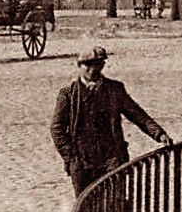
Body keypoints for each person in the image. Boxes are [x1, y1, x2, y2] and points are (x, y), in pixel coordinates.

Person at [50, 45, 171, 194]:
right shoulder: (68, 94)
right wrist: (71, 156)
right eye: (88, 65)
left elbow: (137, 115)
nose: (93, 69)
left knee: (116, 201)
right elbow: (57, 128)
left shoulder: (115, 89)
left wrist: (159, 134)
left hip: (111, 157)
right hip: (82, 161)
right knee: (87, 208)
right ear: (79, 66)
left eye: (98, 64)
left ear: (103, 65)